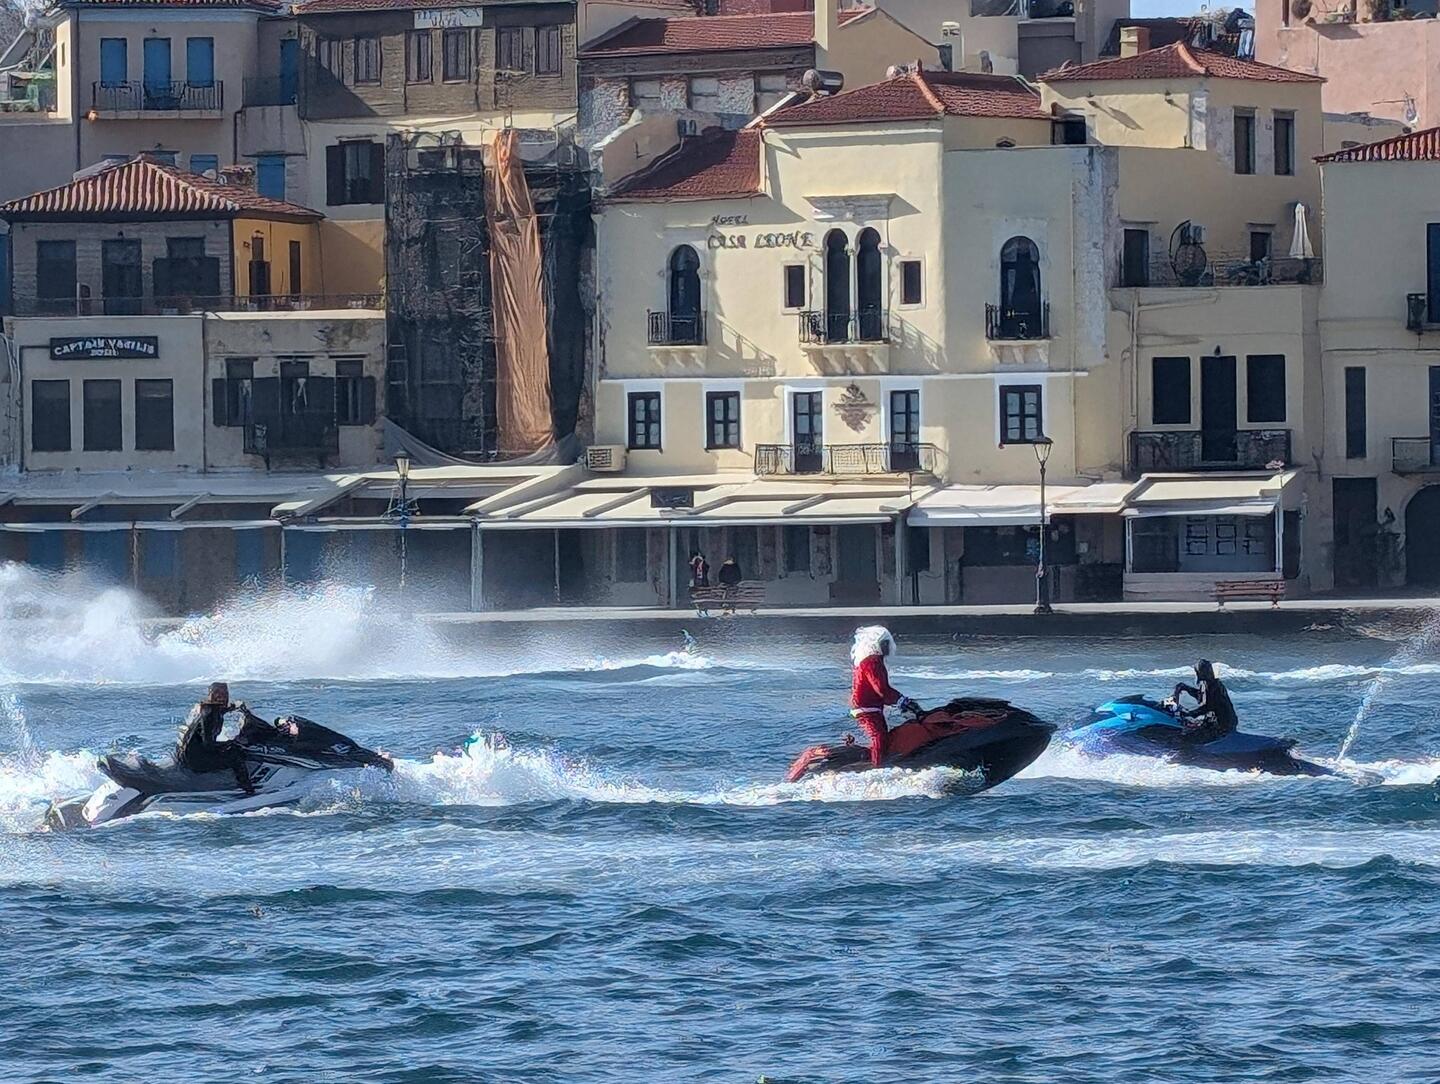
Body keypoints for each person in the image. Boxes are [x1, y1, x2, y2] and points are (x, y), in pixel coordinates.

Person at [849, 626, 920, 768]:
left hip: (870, 707)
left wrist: (901, 701)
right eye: (885, 644)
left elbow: (882, 690)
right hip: (866, 707)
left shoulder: (872, 661)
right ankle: (877, 768)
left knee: (882, 736)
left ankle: (878, 761)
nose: (888, 647)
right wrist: (902, 701)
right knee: (878, 736)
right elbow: (881, 689)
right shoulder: (872, 662)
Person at [175, 682, 259, 793]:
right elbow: (208, 744)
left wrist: (237, 707)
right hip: (195, 760)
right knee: (236, 756)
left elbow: (222, 711)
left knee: (235, 748)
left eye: (224, 693)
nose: (221, 697)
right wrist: (229, 743)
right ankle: (248, 790)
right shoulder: (210, 714)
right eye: (217, 693)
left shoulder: (211, 708)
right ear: (210, 695)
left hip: (190, 755)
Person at [1172, 659, 1238, 743]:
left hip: (1222, 725)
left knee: (1185, 736)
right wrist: (1186, 688)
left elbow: (1206, 707)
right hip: (1220, 721)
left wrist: (1188, 713)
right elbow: (1202, 698)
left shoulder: (1211, 686)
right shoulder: (1210, 683)